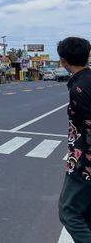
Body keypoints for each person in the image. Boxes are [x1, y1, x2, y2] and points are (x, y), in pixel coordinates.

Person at [57, 37, 91, 241]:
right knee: (86, 213)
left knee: (69, 213)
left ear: (63, 61)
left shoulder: (79, 88)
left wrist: (81, 163)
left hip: (84, 162)